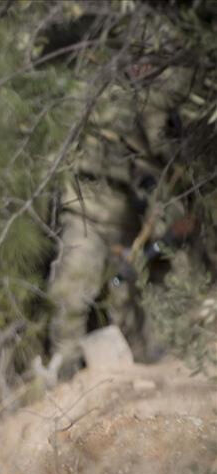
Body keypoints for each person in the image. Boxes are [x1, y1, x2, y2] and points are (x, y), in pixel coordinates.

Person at [42, 60, 213, 382]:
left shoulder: (159, 102)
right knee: (70, 290)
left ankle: (149, 370)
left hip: (130, 217)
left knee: (132, 291)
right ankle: (65, 375)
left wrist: (163, 224)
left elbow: (163, 166)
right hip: (87, 211)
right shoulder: (96, 94)